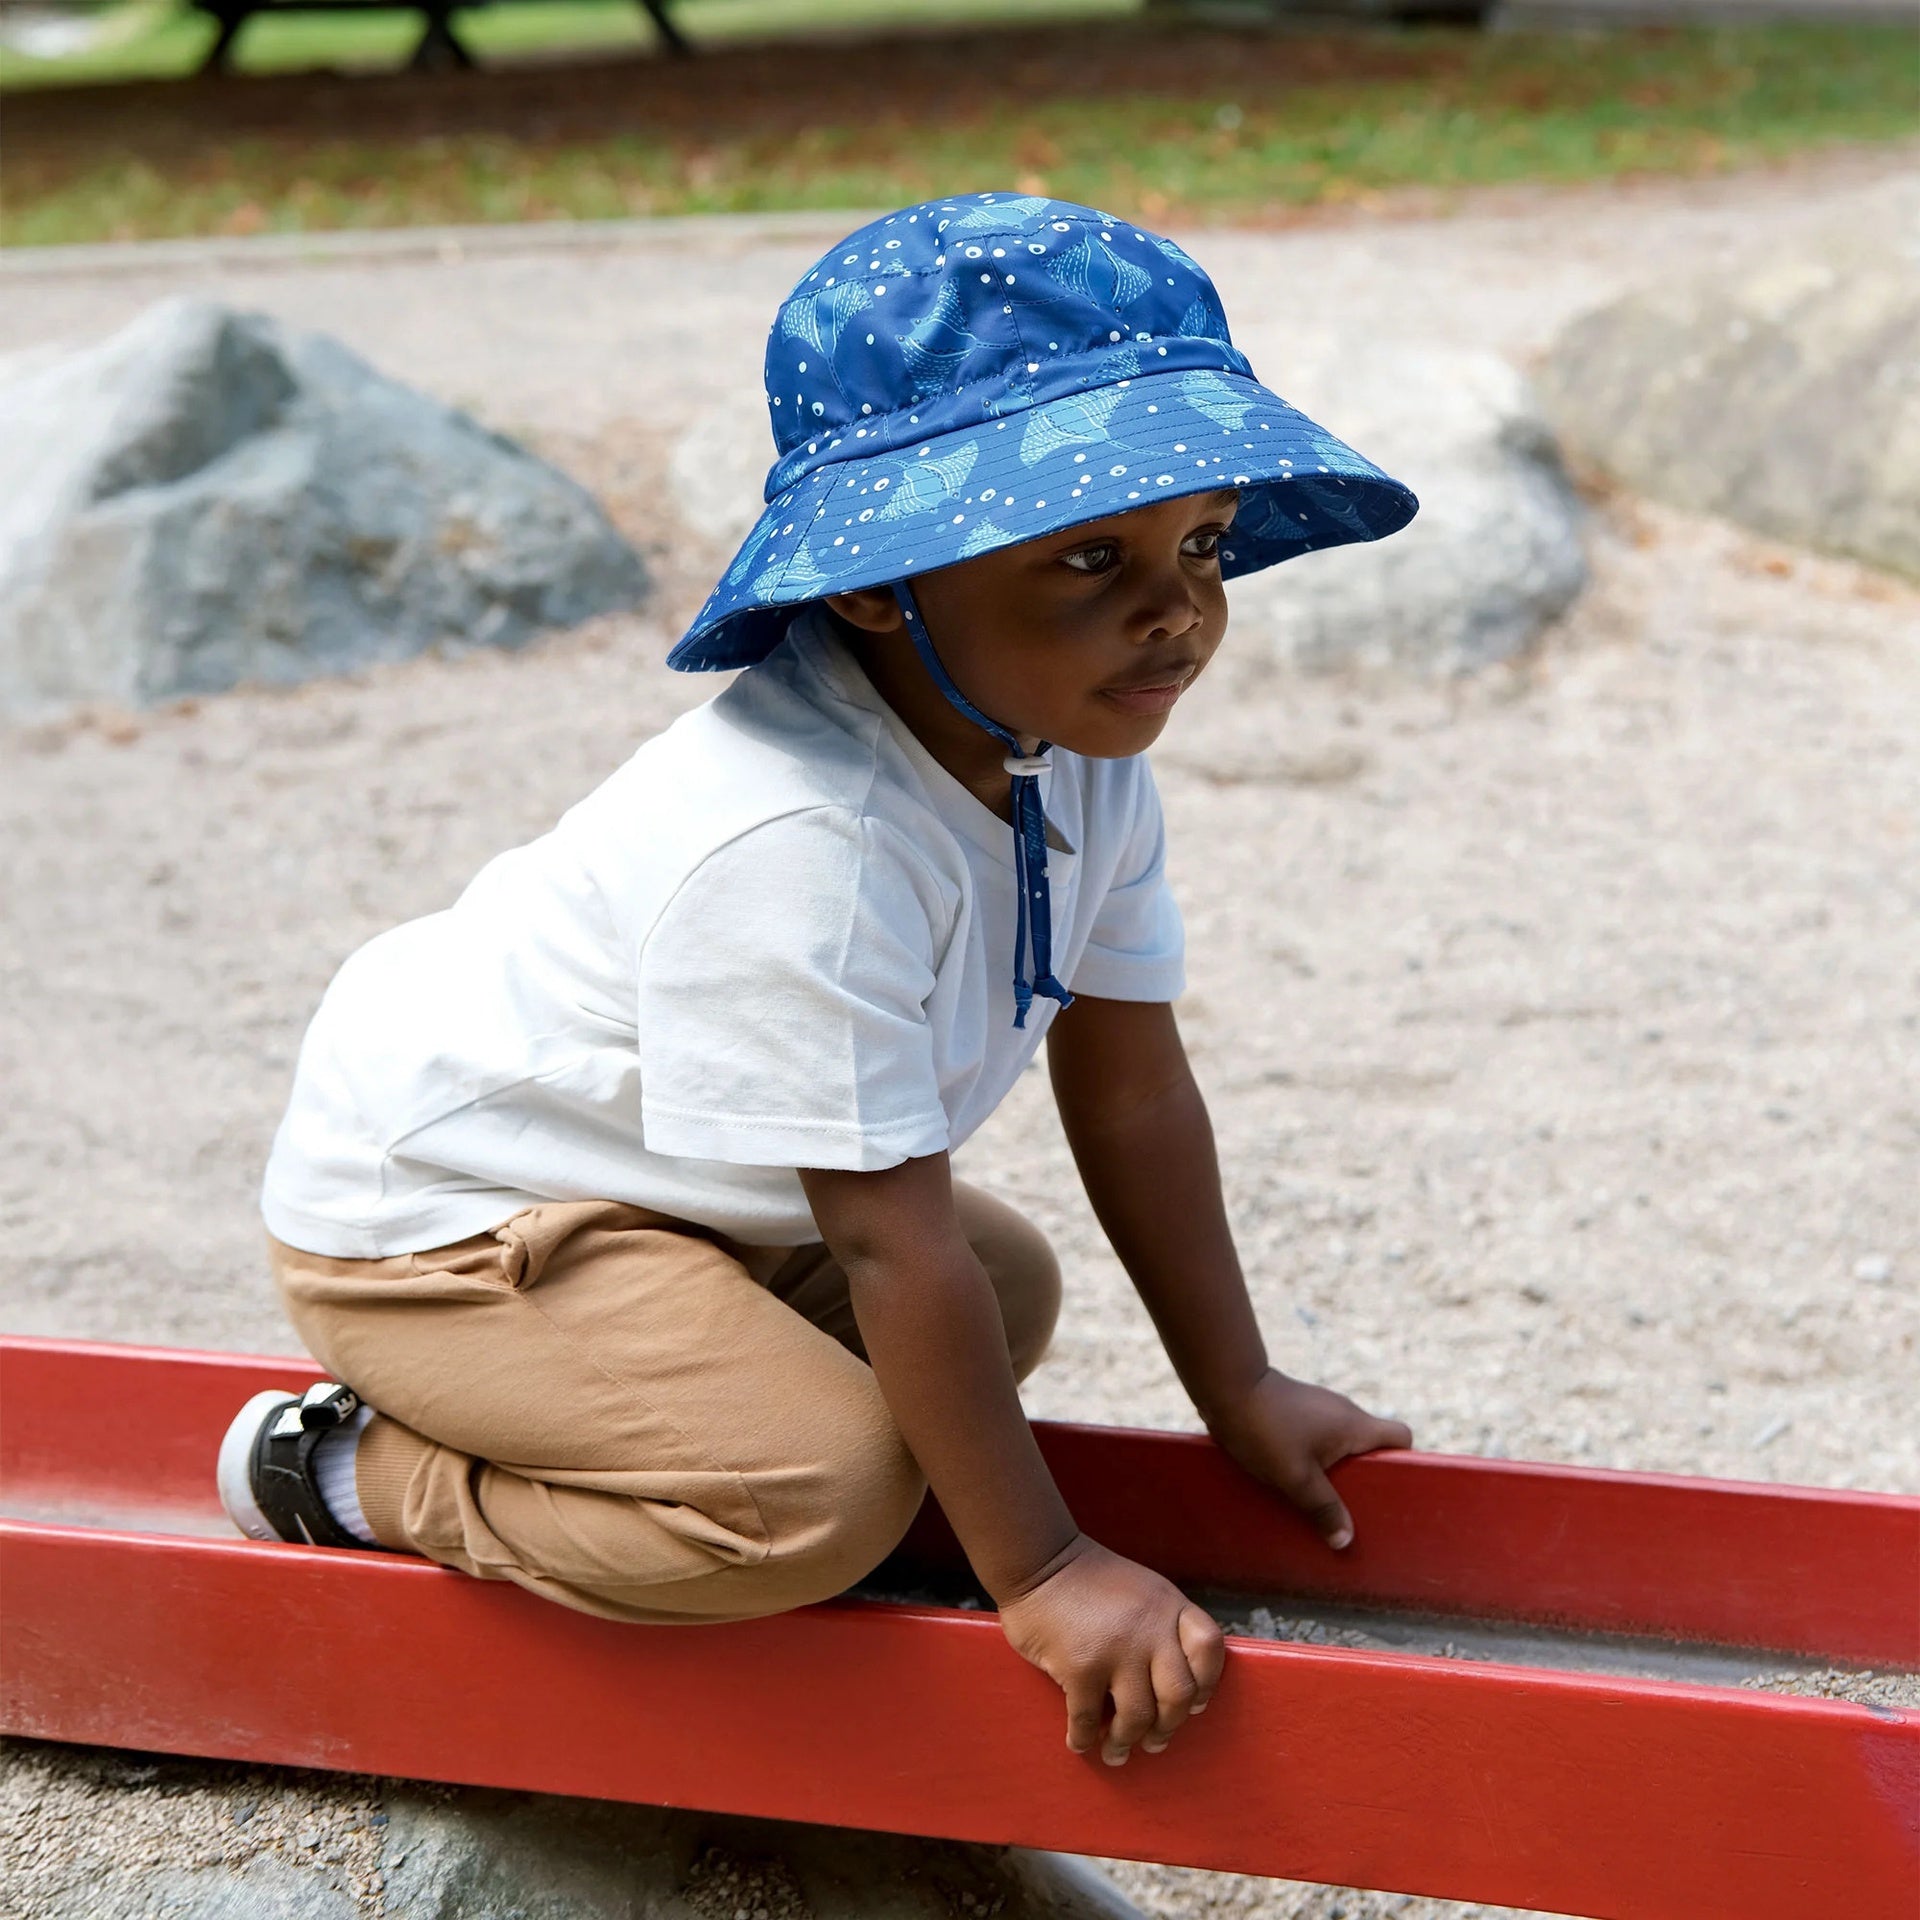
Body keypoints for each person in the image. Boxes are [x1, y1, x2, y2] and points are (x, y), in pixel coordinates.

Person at [220, 192, 1419, 1768]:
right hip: (443, 1223)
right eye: (1088, 557)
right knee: (822, 1498)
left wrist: (1240, 1386)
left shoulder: (1070, 746)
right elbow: (878, 1228)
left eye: (1199, 543)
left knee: (1007, 1293)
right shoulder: (804, 842)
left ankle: (639, 1412)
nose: (1177, 609)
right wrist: (1044, 1572)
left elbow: (1130, 1087)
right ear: (873, 585)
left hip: (670, 1193)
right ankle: (340, 1469)